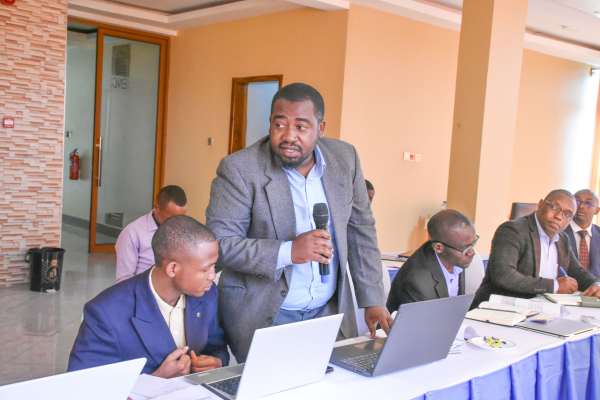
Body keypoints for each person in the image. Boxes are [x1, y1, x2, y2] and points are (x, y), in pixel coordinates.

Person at [206, 82, 390, 361]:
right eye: (279, 125)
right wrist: (289, 251)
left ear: (321, 128)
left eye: (301, 127)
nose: (289, 136)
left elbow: (360, 230)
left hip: (329, 312)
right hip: (266, 314)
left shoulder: (345, 159)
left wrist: (372, 299)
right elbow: (220, 244)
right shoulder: (240, 169)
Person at [68, 216, 228, 376]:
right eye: (205, 269)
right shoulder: (106, 313)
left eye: (214, 266)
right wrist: (156, 378)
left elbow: (216, 347)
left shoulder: (207, 293)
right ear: (173, 269)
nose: (212, 276)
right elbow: (83, 385)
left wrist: (217, 362)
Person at [473, 189, 600, 307]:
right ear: (540, 204)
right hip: (499, 309)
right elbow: (504, 275)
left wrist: (596, 285)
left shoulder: (562, 239)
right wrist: (554, 286)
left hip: (540, 309)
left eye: (567, 214)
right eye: (554, 207)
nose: (559, 216)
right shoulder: (512, 230)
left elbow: (577, 272)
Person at [387, 210, 477, 312]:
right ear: (439, 247)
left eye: (473, 243)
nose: (472, 252)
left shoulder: (455, 255)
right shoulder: (416, 282)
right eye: (465, 248)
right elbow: (427, 320)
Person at [115, 185, 187, 282]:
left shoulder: (184, 229)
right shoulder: (132, 233)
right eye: (172, 218)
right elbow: (124, 280)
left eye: (181, 217)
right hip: (145, 289)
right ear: (157, 207)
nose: (177, 223)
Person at [564, 189, 600, 278]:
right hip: (565, 284)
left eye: (588, 203)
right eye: (577, 201)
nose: (581, 206)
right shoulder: (559, 231)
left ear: (597, 210)